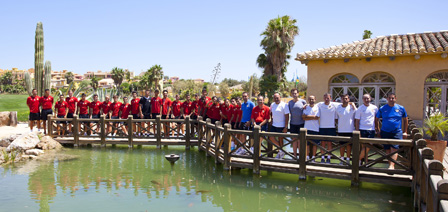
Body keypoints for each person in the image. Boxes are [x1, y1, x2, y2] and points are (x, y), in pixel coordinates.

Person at [375, 93, 408, 169]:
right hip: (385, 131)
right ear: (387, 99)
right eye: (389, 98)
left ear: (395, 98)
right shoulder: (383, 108)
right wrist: (378, 130)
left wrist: (405, 131)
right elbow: (376, 119)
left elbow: (405, 119)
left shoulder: (401, 108)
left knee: (394, 149)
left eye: (392, 98)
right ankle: (390, 164)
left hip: (396, 132)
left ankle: (392, 165)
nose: (391, 99)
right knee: (387, 149)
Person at [316, 93, 339, 164]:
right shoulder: (320, 104)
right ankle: (322, 158)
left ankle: (329, 158)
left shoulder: (334, 105)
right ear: (323, 98)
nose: (326, 99)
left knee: (329, 144)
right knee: (322, 143)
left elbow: (344, 103)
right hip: (322, 127)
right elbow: (311, 105)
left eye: (328, 98)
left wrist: (352, 104)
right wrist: (305, 105)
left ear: (330, 98)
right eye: (325, 98)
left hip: (331, 127)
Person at [356, 94, 378, 165]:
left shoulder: (374, 108)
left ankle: (358, 160)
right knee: (364, 147)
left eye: (368, 98)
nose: (366, 100)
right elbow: (357, 120)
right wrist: (357, 131)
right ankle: (365, 162)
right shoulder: (360, 108)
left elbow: (376, 119)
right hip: (362, 129)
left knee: (368, 146)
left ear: (370, 99)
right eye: (365, 99)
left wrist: (377, 128)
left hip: (371, 129)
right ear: (362, 99)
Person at [335, 94, 357, 165]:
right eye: (343, 98)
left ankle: (347, 160)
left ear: (349, 99)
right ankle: (342, 159)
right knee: (341, 145)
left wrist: (353, 104)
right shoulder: (338, 108)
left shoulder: (352, 107)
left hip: (350, 129)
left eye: (346, 98)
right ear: (341, 99)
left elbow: (357, 115)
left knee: (349, 146)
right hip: (341, 130)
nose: (345, 100)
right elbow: (336, 119)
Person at [269, 92, 290, 159]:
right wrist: (271, 120)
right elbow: (271, 113)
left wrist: (286, 127)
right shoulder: (272, 104)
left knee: (281, 140)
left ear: (280, 97)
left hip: (281, 125)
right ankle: (281, 150)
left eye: (277, 98)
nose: (276, 99)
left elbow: (287, 116)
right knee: (271, 137)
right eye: (275, 98)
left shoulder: (284, 105)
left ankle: (280, 154)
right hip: (274, 125)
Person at [288, 88, 307, 159]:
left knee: (300, 140)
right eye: (293, 93)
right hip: (293, 124)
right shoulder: (290, 103)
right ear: (291, 94)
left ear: (298, 94)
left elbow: (307, 109)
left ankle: (301, 156)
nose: (294, 95)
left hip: (301, 124)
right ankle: (295, 155)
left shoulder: (303, 102)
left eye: (295, 93)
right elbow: (288, 112)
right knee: (294, 140)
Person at [302, 95, 320, 162]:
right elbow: (303, 118)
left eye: (312, 99)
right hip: (307, 128)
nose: (311, 100)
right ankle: (307, 157)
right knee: (307, 144)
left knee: (315, 144)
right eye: (310, 99)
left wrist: (307, 116)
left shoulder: (318, 107)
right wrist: (312, 117)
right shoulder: (306, 107)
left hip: (315, 129)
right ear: (308, 100)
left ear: (315, 100)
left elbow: (317, 117)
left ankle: (313, 157)